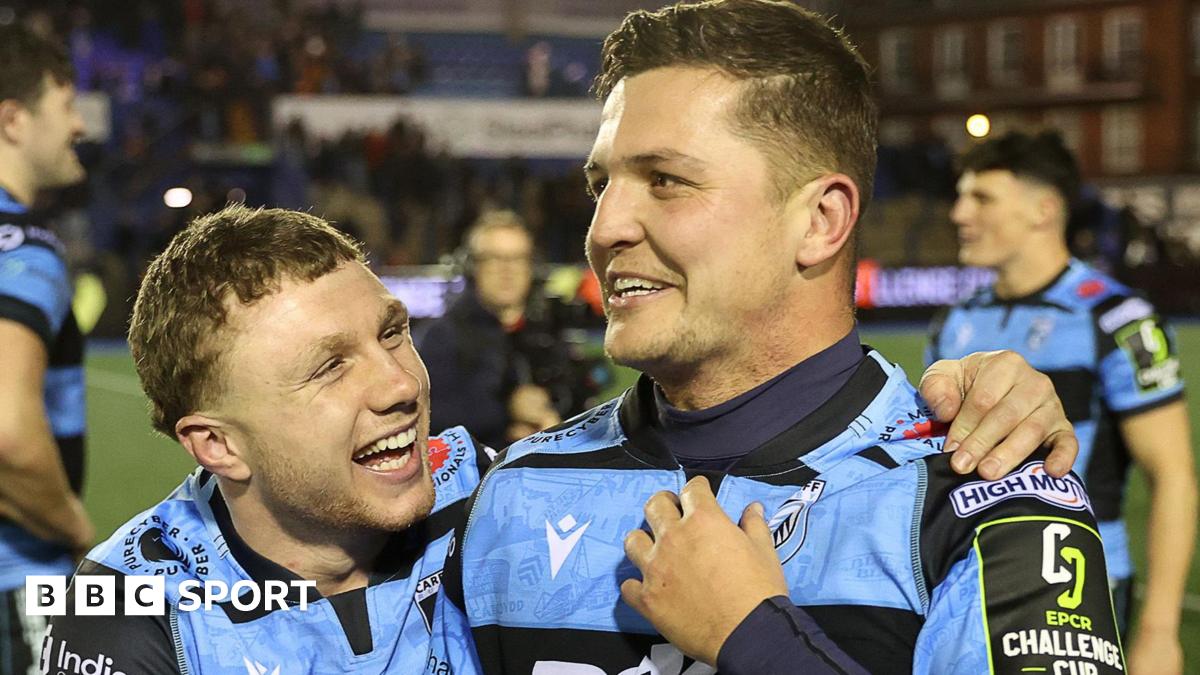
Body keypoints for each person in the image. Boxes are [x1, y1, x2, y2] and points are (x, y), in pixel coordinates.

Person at [427, 2, 1121, 674]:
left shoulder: (982, 493)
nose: (604, 229)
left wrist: (755, 638)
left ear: (821, 221)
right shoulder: (514, 492)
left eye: (665, 180)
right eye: (600, 185)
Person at [44, 205, 492, 674]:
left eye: (392, 333)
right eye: (330, 367)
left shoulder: (492, 494)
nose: (401, 384)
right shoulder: (131, 609)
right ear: (217, 445)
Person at [928, 131, 1196, 674]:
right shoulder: (955, 322)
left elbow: (1172, 477)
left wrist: (1159, 632)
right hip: (967, 578)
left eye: (981, 197)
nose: (959, 213)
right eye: (960, 196)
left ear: (1043, 210)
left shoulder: (1118, 321)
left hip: (1077, 586)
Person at [0, 23, 93, 672]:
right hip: (18, 577)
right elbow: (7, 432)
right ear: (13, 120)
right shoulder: (23, 247)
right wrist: (78, 531)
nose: (79, 125)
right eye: (65, 105)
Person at [417, 211, 571, 449]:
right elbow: (429, 418)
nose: (507, 270)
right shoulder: (440, 337)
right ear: (472, 267)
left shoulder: (548, 332)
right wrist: (507, 415)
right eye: (494, 259)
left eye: (517, 258)